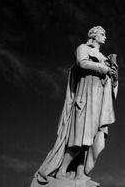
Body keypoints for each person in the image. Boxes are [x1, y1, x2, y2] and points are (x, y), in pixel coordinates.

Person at [31, 26, 118, 185]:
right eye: (103, 34)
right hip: (85, 96)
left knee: (90, 139)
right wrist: (105, 69)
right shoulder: (83, 48)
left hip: (98, 98)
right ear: (94, 35)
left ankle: (80, 173)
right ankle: (62, 171)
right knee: (79, 137)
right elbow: (82, 63)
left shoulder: (103, 57)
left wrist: (113, 76)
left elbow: (108, 81)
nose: (105, 37)